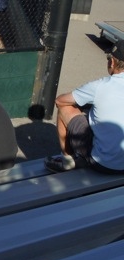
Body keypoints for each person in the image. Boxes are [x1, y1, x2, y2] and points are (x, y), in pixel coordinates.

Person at [45, 40, 124, 173]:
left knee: (65, 108)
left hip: (103, 164)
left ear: (112, 62)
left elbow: (60, 101)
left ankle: (68, 161)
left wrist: (81, 104)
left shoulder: (100, 86)